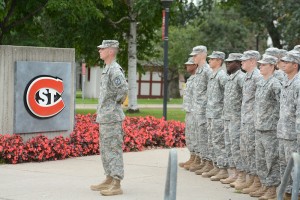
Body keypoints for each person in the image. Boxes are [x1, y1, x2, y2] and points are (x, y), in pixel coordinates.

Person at [90, 40, 128, 196]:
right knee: (105, 150)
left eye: (103, 48)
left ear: (110, 51)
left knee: (113, 150)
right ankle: (109, 178)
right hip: (105, 118)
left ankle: (117, 183)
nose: (100, 50)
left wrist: (114, 104)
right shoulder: (107, 68)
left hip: (112, 117)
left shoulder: (115, 70)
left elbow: (123, 89)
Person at [250, 54, 281, 199]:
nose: (260, 66)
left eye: (263, 64)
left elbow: (282, 104)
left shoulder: (275, 84)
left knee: (271, 159)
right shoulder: (261, 82)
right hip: (259, 126)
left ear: (272, 66)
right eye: (260, 64)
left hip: (270, 128)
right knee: (261, 158)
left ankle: (272, 189)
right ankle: (264, 185)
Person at [237, 50, 263, 194]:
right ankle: (250, 179)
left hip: (253, 121)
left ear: (253, 61)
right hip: (245, 120)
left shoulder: (257, 77)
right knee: (246, 150)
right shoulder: (247, 76)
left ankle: (257, 181)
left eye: (245, 60)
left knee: (253, 151)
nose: (242, 62)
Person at [202, 51, 228, 181]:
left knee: (218, 142)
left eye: (212, 59)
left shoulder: (221, 76)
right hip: (211, 114)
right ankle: (216, 166)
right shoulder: (213, 75)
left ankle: (223, 168)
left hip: (218, 115)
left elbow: (227, 95)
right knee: (212, 141)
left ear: (219, 61)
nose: (209, 61)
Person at [277, 50, 300, 200]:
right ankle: (289, 192)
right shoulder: (286, 80)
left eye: (287, 62)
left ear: (295, 64)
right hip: (284, 132)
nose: (283, 64)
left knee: (295, 168)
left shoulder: (298, 83)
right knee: (286, 165)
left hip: (293, 133)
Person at [220, 53, 245, 186]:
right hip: (228, 118)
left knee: (236, 147)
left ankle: (241, 175)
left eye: (231, 62)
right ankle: (233, 173)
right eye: (227, 62)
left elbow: (245, 99)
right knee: (229, 146)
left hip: (237, 119)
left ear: (238, 63)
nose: (228, 64)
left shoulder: (241, 78)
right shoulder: (230, 78)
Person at [189, 45, 213, 175]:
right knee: (199, 137)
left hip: (204, 111)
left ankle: (208, 163)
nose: (193, 57)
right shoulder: (199, 70)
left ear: (203, 55)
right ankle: (202, 161)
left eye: (195, 55)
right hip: (197, 110)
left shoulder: (208, 71)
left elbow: (211, 91)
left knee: (205, 138)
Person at [179, 57, 198, 169]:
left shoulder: (198, 78)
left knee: (196, 136)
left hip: (195, 111)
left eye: (189, 64)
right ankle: (193, 157)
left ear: (195, 65)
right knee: (190, 136)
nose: (187, 66)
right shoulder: (191, 78)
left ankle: (197, 159)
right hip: (189, 110)